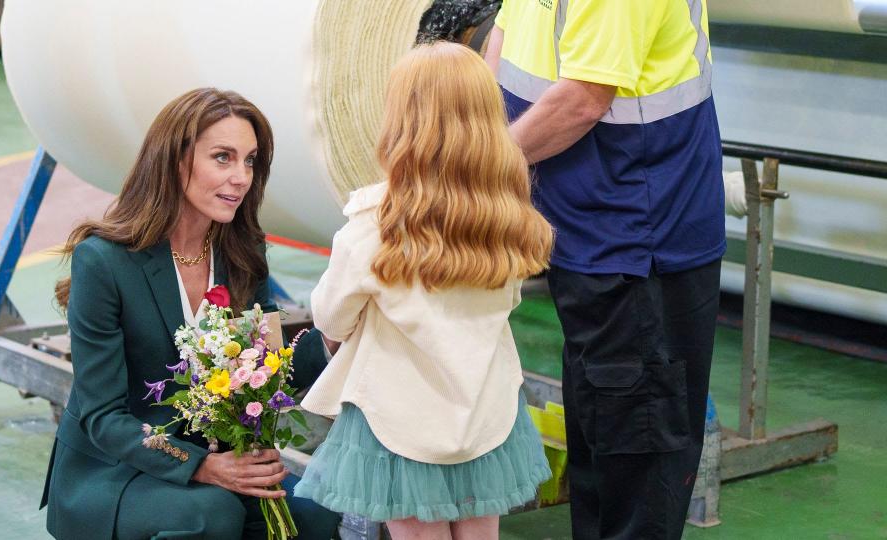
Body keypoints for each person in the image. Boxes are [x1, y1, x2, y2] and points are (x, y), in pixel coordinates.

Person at [41, 88, 341, 539]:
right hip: (115, 471)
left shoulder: (242, 251)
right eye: (223, 157)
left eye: (251, 160)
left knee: (314, 511)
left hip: (219, 461)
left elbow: (268, 366)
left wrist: (331, 339)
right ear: (174, 160)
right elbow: (103, 417)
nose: (241, 176)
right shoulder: (103, 261)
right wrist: (201, 465)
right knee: (212, 513)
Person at [293, 42, 554, 540]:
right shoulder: (511, 218)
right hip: (486, 411)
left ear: (401, 121)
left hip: (398, 419)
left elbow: (330, 319)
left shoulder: (375, 223)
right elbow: (510, 300)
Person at [484, 1, 725, 538]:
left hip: (639, 242)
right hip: (587, 232)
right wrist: (477, 123)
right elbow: (507, 32)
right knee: (599, 451)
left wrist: (475, 167)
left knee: (636, 471)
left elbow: (583, 101)